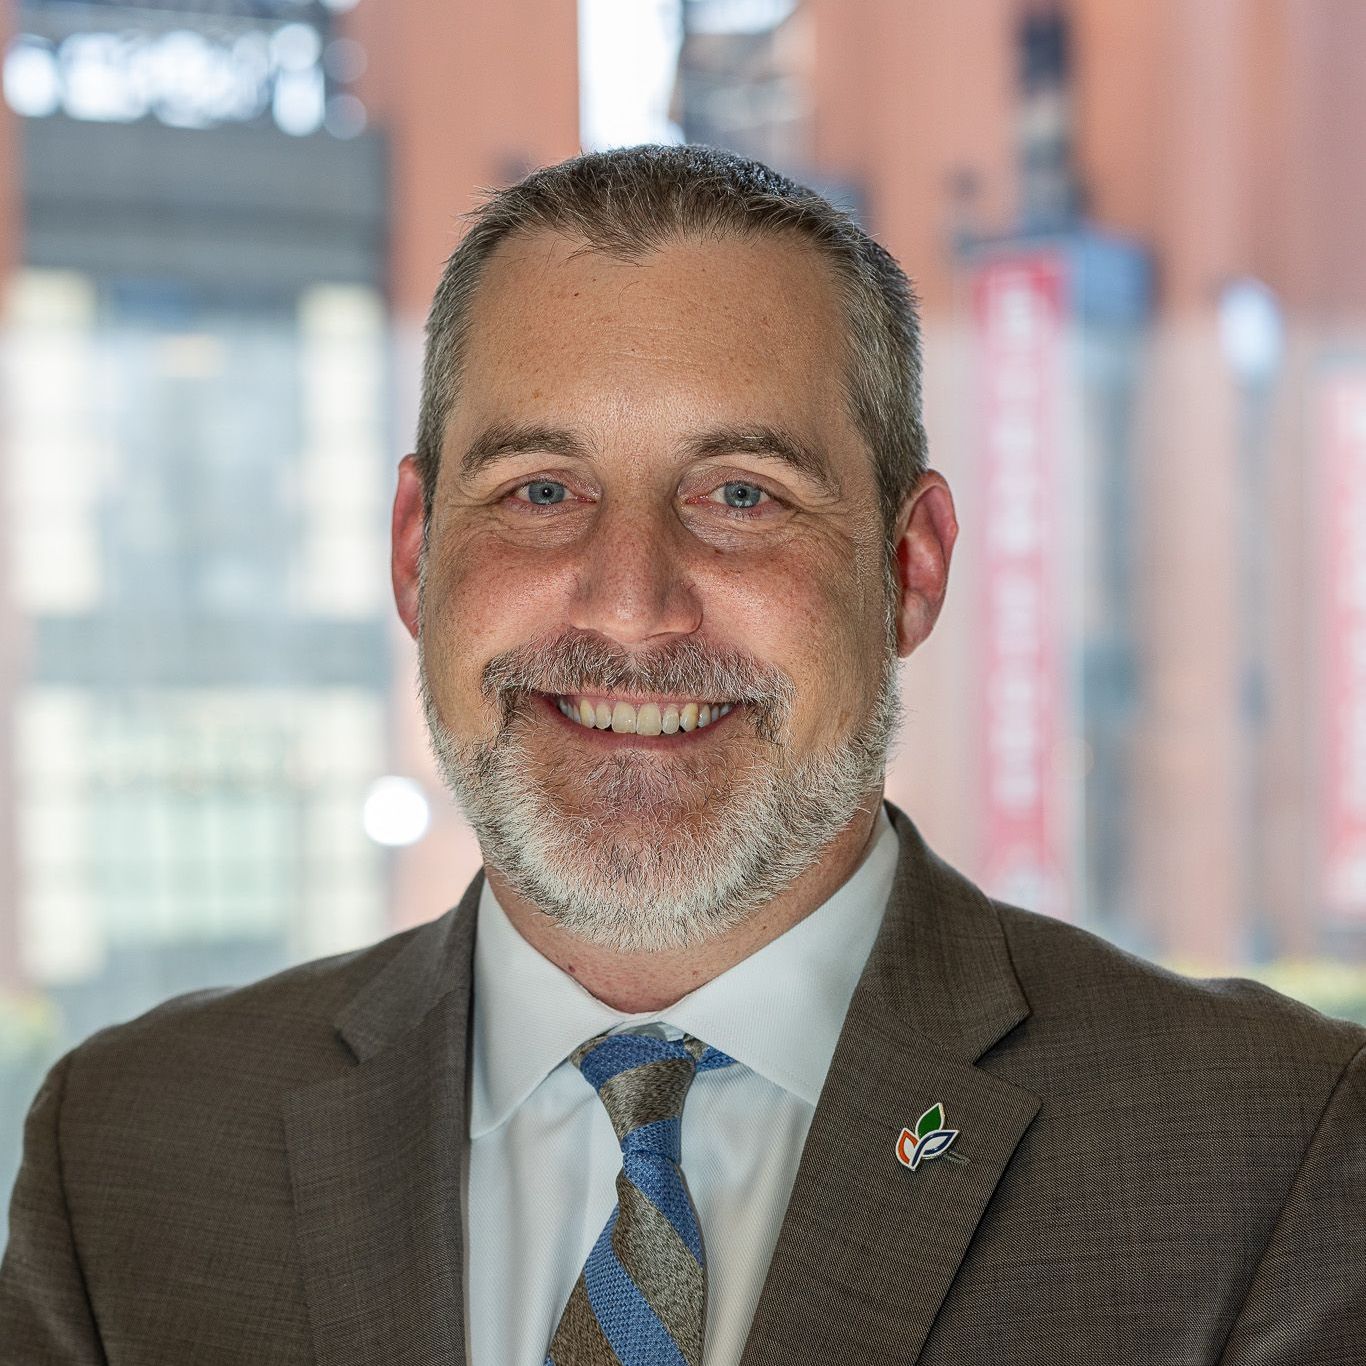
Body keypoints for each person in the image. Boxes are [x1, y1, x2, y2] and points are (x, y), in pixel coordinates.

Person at [1, 144, 1363, 1366]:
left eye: (739, 495)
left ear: (906, 565)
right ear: (416, 553)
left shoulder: (1269, 1157)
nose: (629, 602)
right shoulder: (128, 1154)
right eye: (540, 490)